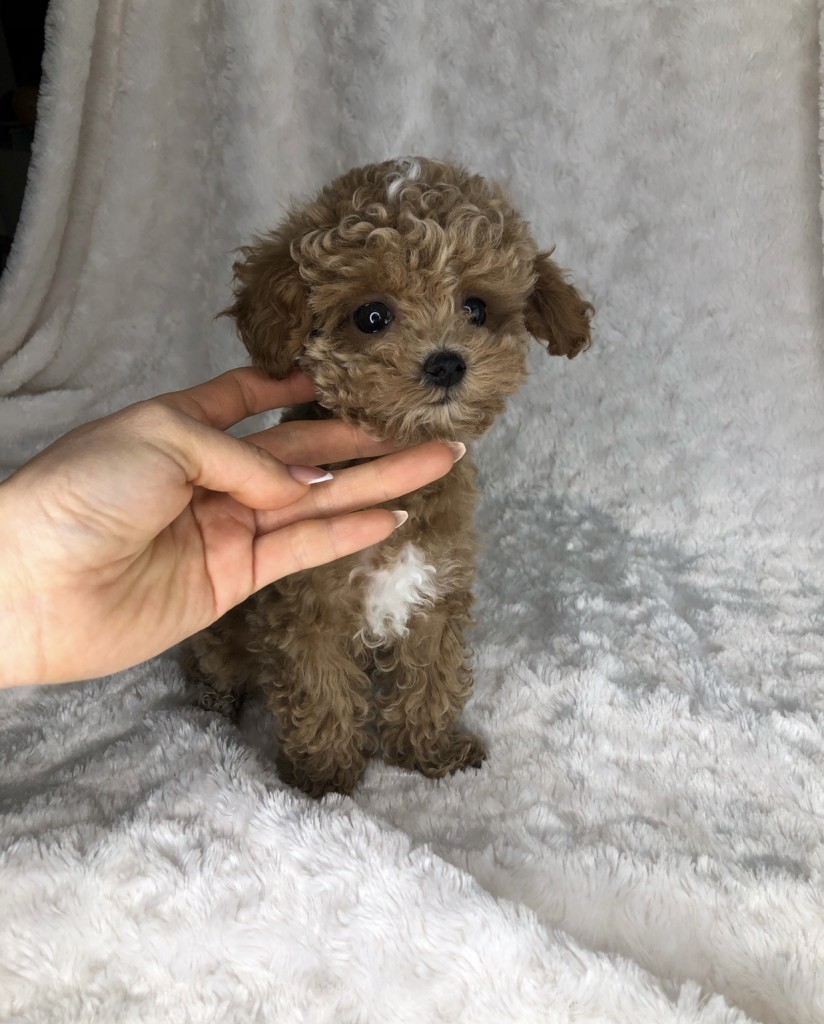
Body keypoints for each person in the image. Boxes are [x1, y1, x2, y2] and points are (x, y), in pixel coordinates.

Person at [0, 367, 463, 688]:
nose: (442, 352)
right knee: (292, 622)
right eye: (373, 319)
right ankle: (252, 705)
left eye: (474, 311)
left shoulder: (446, 485)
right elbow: (299, 631)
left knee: (439, 611)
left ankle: (420, 731)